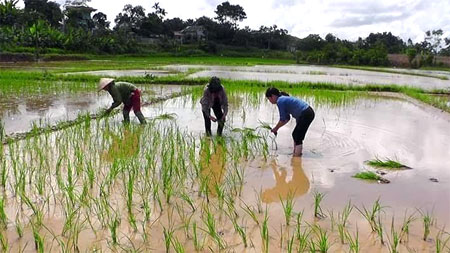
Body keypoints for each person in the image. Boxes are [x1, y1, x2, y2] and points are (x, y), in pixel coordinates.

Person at [265, 87, 315, 156]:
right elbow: (287, 119)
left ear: (272, 96)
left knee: (297, 136)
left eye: (269, 99)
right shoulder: (283, 99)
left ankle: (297, 155)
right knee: (296, 135)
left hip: (306, 113)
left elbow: (283, 120)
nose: (269, 101)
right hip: (307, 113)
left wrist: (276, 128)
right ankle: (296, 154)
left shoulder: (280, 101)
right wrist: (276, 128)